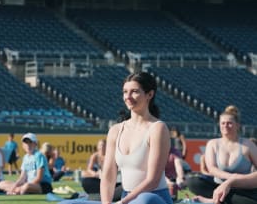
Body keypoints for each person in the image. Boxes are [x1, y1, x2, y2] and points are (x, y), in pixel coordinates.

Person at [100, 72, 172, 204]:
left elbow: (153, 180)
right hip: (127, 198)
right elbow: (108, 176)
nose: (128, 97)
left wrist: (123, 202)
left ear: (149, 95)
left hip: (152, 198)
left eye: (134, 92)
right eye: (125, 92)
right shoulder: (115, 130)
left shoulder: (157, 128)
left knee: (145, 200)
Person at [187, 105, 257, 204]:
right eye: (223, 123)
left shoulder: (248, 145)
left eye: (229, 123)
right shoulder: (213, 143)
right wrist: (230, 178)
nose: (225, 126)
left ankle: (212, 201)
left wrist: (232, 182)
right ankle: (220, 199)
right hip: (218, 186)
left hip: (242, 189)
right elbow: (212, 169)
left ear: (237, 125)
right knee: (193, 182)